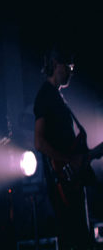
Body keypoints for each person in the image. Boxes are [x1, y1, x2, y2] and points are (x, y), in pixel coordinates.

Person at [33, 46, 98, 250]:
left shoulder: (58, 97)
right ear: (55, 65)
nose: (71, 72)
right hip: (63, 182)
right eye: (68, 67)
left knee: (82, 238)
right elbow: (39, 142)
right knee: (77, 239)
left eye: (72, 68)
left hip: (73, 180)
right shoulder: (45, 96)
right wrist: (70, 161)